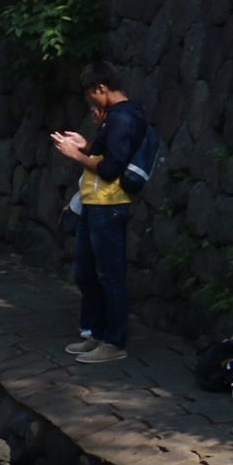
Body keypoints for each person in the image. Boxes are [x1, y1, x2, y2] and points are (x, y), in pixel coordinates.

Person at [52, 63, 147, 366]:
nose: (91, 103)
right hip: (94, 204)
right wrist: (87, 145)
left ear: (102, 89)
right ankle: (96, 331)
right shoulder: (117, 118)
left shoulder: (124, 118)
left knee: (109, 275)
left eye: (92, 97)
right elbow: (107, 157)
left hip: (109, 205)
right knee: (85, 272)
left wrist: (76, 155)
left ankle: (114, 341)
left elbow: (110, 168)